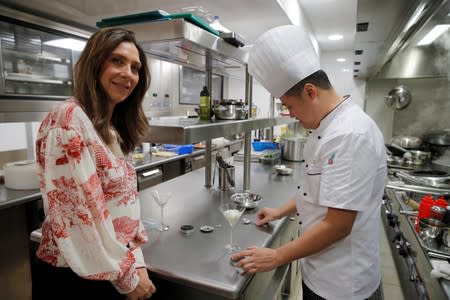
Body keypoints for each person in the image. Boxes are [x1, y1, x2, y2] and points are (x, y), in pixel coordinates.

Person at [231, 25, 387, 300]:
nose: (290, 114)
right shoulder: (326, 127)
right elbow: (317, 191)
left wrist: (277, 255)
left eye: (289, 105)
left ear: (310, 91)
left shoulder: (350, 135)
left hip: (343, 285)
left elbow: (339, 225)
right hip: (319, 270)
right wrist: (280, 210)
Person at [34, 27, 156, 300]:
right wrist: (128, 278)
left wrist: (135, 260)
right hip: (74, 279)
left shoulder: (111, 129)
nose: (128, 74)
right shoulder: (67, 120)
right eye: (117, 60)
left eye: (135, 67)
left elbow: (123, 205)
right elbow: (79, 218)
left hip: (109, 270)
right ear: (94, 62)